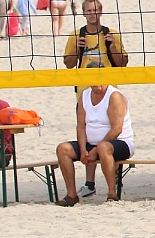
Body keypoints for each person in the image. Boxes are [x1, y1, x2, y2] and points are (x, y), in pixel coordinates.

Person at [62, 0, 129, 197]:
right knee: (88, 133)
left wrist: (113, 47)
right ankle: (89, 183)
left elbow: (123, 63)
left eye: (95, 10)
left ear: (101, 12)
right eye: (89, 11)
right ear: (84, 13)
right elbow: (68, 64)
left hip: (108, 90)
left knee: (110, 133)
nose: (92, 14)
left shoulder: (111, 33)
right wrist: (77, 49)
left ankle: (114, 181)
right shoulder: (76, 35)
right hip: (85, 91)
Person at [54, 66, 136, 205]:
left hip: (120, 142)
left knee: (103, 147)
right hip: (92, 143)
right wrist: (83, 150)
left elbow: (116, 129)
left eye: (99, 77)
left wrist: (95, 149)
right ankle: (72, 195)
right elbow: (81, 126)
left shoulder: (114, 96)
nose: (96, 81)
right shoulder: (85, 95)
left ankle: (112, 194)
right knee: (63, 149)